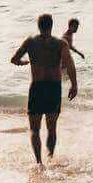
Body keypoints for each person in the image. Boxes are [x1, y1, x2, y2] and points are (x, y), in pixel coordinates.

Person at [10, 14, 78, 165]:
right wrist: (74, 85)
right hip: (53, 88)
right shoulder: (61, 44)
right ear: (51, 25)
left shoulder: (30, 42)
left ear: (39, 25)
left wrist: (24, 62)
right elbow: (70, 64)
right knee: (51, 128)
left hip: (37, 87)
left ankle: (39, 162)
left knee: (34, 129)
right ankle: (51, 157)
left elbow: (14, 59)